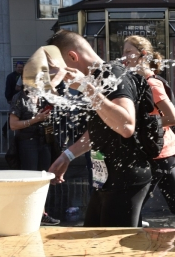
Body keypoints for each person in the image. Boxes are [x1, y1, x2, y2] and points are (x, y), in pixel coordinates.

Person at [47, 30, 151, 227]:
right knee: (92, 240)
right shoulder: (96, 79)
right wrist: (67, 156)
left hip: (126, 180)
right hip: (105, 181)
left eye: (62, 70)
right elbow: (100, 130)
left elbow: (126, 125)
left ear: (72, 57)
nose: (63, 79)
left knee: (111, 250)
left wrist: (87, 88)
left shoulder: (113, 74)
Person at [122, 35, 175, 225]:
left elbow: (173, 118)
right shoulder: (134, 80)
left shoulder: (152, 83)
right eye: (123, 51)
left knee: (134, 205)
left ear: (143, 55)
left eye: (128, 52)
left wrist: (140, 127)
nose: (124, 56)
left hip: (161, 153)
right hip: (160, 152)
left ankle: (131, 238)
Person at [9, 89, 60, 225]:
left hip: (44, 141)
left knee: (44, 179)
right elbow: (13, 125)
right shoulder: (20, 98)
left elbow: (57, 98)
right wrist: (35, 120)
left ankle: (41, 214)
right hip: (27, 142)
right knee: (30, 179)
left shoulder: (43, 94)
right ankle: (27, 214)